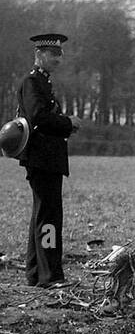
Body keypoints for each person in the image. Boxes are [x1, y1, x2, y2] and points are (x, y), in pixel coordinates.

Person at [16, 32, 77, 288]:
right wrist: (68, 123)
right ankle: (50, 276)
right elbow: (39, 117)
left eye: (60, 54)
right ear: (39, 54)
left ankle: (34, 272)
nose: (58, 59)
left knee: (41, 214)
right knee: (49, 217)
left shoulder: (43, 83)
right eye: (53, 54)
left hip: (46, 159)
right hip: (41, 158)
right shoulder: (32, 83)